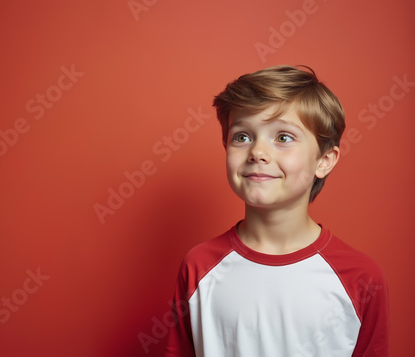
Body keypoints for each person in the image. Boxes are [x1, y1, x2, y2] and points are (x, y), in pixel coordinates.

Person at [165, 65, 389, 357]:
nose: (258, 152)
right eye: (242, 137)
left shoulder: (361, 278)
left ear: (324, 160)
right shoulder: (198, 267)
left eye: (283, 137)